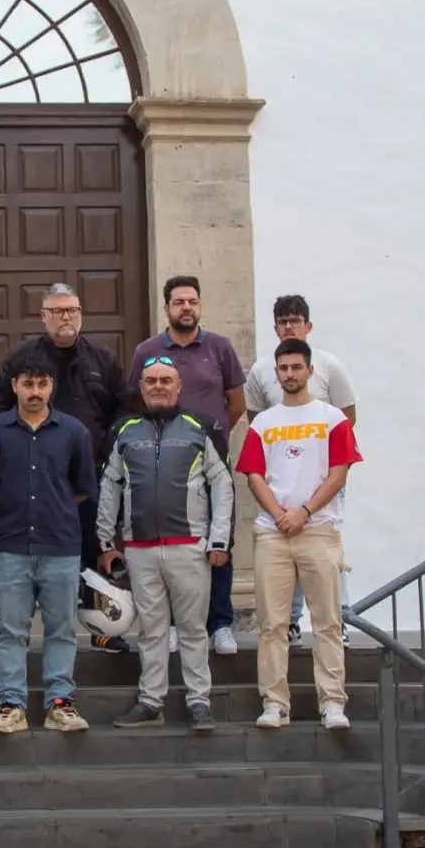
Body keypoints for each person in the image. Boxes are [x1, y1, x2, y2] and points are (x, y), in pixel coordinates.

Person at [96, 355, 234, 732]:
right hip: (139, 549)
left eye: (165, 380)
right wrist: (106, 541)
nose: (158, 386)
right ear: (141, 388)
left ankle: (199, 701)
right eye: (151, 380)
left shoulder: (200, 427)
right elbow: (110, 485)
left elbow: (223, 485)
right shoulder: (124, 430)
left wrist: (220, 539)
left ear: (178, 386)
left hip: (189, 546)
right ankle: (150, 700)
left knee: (191, 628)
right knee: (152, 629)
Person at [0, 284, 125, 647]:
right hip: (35, 473)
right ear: (43, 316)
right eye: (59, 310)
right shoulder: (20, 357)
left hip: (90, 472)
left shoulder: (103, 359)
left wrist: (106, 453)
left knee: (96, 548)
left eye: (73, 310)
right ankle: (22, 630)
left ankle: (104, 630)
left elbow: (122, 411)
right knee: (39, 555)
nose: (67, 317)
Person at [238, 338, 363, 732]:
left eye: (296, 367)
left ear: (309, 370)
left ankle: (332, 702)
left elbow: (340, 470)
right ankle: (275, 702)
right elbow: (253, 474)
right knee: (273, 624)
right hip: (273, 533)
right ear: (276, 374)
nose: (289, 374)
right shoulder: (262, 422)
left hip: (319, 530)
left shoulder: (332, 419)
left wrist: (304, 511)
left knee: (326, 622)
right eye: (283, 368)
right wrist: (279, 515)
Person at [0, 352, 95, 733]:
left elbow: (80, 490)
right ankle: (11, 704)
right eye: (28, 383)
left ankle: (60, 702)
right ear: (15, 386)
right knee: (11, 631)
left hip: (60, 546)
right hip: (9, 547)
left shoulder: (75, 432)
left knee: (61, 629)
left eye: (42, 384)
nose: (35, 391)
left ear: (51, 386)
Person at [127, 275, 247, 656]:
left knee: (219, 538)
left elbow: (236, 404)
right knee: (173, 544)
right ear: (166, 308)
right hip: (165, 463)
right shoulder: (147, 350)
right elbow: (138, 399)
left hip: (212, 460)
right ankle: (177, 624)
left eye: (192, 301)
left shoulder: (220, 348)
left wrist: (209, 436)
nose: (186, 308)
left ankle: (221, 623)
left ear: (200, 305)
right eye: (179, 302)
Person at [243, 294, 359, 647]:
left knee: (325, 549)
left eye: (295, 320)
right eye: (282, 321)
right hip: (281, 479)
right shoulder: (261, 370)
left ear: (308, 325)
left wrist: (325, 462)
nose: (289, 326)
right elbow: (256, 422)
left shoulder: (329, 365)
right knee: (284, 543)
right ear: (274, 327)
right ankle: (290, 620)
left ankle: (340, 619)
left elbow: (347, 416)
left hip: (323, 477)